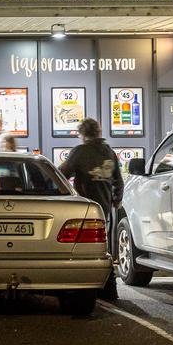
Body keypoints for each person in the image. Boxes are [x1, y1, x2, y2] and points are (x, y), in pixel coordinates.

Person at [58, 117, 123, 300]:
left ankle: (88, 287)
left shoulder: (80, 151)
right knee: (104, 247)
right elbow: (118, 179)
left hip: (85, 206)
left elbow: (62, 174)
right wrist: (116, 199)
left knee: (84, 248)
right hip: (105, 205)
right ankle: (110, 290)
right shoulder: (109, 151)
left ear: (82, 134)